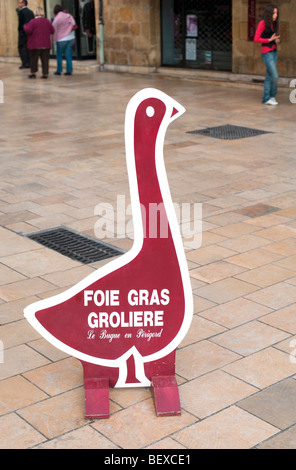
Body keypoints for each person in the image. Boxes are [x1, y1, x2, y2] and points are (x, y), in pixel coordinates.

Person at [254, 4, 280, 106]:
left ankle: (268, 98)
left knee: (269, 76)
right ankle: (270, 96)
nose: (276, 15)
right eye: (274, 13)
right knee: (275, 76)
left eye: (276, 13)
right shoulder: (262, 23)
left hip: (274, 52)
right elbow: (256, 39)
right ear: (269, 14)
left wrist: (276, 40)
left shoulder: (273, 24)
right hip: (267, 53)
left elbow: (272, 38)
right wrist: (269, 40)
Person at [24, 7, 55, 79]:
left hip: (35, 44)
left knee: (33, 60)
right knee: (45, 60)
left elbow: (28, 30)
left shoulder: (32, 21)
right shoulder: (47, 21)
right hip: (46, 44)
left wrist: (25, 25)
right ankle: (45, 74)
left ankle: (33, 73)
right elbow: (52, 31)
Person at [52, 5, 77, 76]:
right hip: (70, 38)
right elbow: (73, 24)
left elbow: (54, 30)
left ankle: (59, 70)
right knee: (68, 54)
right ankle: (69, 70)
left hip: (61, 39)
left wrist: (54, 40)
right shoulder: (68, 15)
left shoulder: (56, 19)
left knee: (59, 55)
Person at [17, 0, 34, 69]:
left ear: (23, 3)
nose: (18, 4)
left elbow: (20, 23)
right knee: (28, 48)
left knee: (20, 47)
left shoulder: (21, 12)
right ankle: (29, 63)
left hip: (22, 32)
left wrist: (19, 30)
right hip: (29, 32)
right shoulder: (30, 12)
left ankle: (24, 63)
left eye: (19, 2)